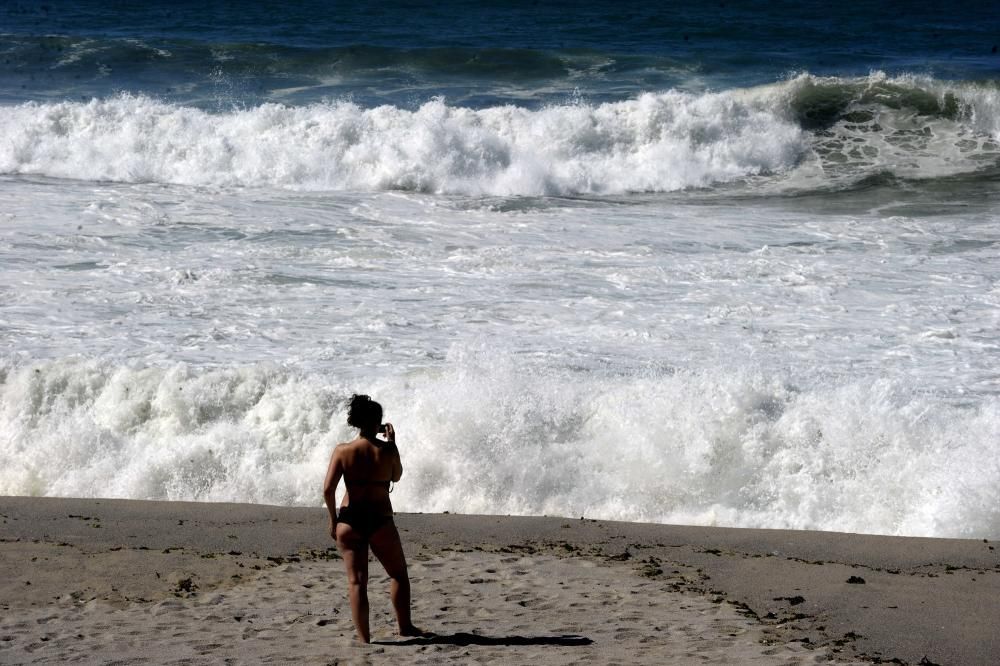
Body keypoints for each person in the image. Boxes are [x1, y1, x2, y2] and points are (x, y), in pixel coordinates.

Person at [323, 394, 422, 643]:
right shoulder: (386, 450)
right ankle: (405, 627)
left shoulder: (343, 451)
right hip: (379, 520)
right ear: (377, 422)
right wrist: (393, 442)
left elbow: (328, 489)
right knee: (398, 574)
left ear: (357, 421)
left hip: (350, 519)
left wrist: (333, 520)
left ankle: (365, 638)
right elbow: (397, 476)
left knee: (357, 582)